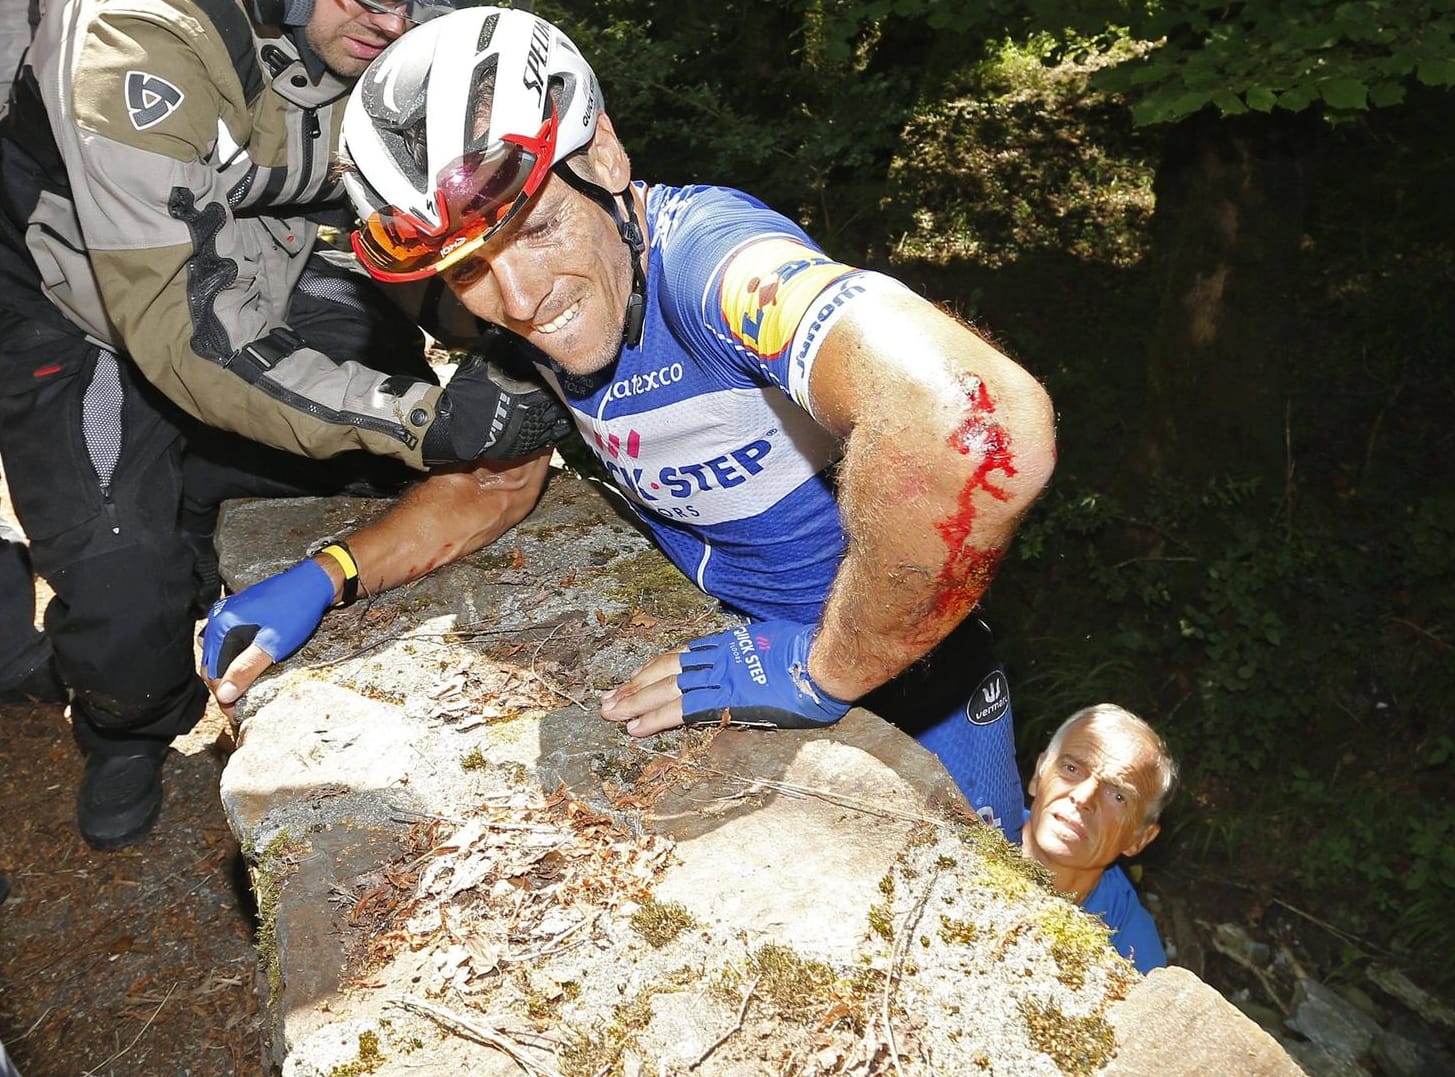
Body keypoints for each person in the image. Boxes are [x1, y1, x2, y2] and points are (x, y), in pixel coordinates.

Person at [202, 7, 1058, 837]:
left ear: (603, 155)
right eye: (467, 270)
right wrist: (328, 574)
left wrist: (822, 668)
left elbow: (974, 425)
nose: (522, 299)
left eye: (536, 227)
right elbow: (499, 484)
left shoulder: (707, 266)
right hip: (748, 641)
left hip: (912, 676)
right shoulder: (543, 310)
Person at [0, 0, 573, 851]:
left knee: (370, 468)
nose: (392, 20)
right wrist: (423, 418)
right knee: (122, 599)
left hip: (271, 260)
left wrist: (488, 329)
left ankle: (193, 493)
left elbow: (415, 223)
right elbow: (184, 334)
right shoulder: (140, 34)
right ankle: (128, 726)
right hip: (81, 302)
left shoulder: (409, 38)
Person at [1022, 704, 1176, 972]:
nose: (1083, 798)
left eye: (1118, 796)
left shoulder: (1131, 954)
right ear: (1038, 774)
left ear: (1140, 838)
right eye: (1071, 769)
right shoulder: (964, 820)